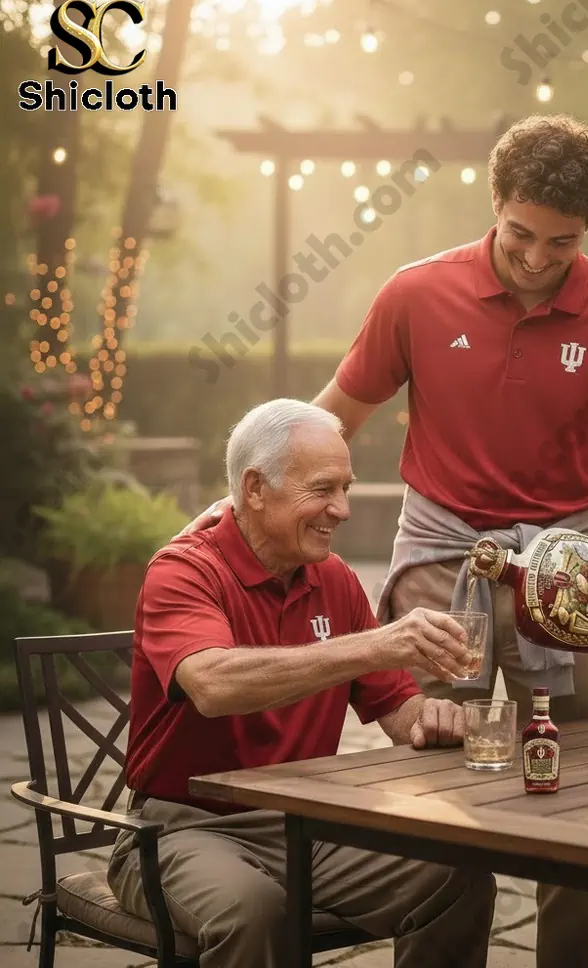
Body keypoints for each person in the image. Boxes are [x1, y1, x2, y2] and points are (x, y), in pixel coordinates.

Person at [183, 114, 588, 968]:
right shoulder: (417, 294)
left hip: (573, 573)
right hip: (441, 557)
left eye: (560, 243)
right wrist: (236, 501)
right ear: (494, 203)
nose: (535, 259)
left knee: (582, 793)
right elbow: (330, 417)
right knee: (430, 776)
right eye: (520, 234)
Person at [110, 398, 497, 968]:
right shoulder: (184, 570)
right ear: (255, 487)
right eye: (323, 489)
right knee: (255, 911)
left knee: (456, 877)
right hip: (179, 831)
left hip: (303, 827)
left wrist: (435, 719)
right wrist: (377, 642)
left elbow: (398, 711)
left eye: (346, 487)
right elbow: (213, 685)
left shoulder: (333, 579)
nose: (341, 509)